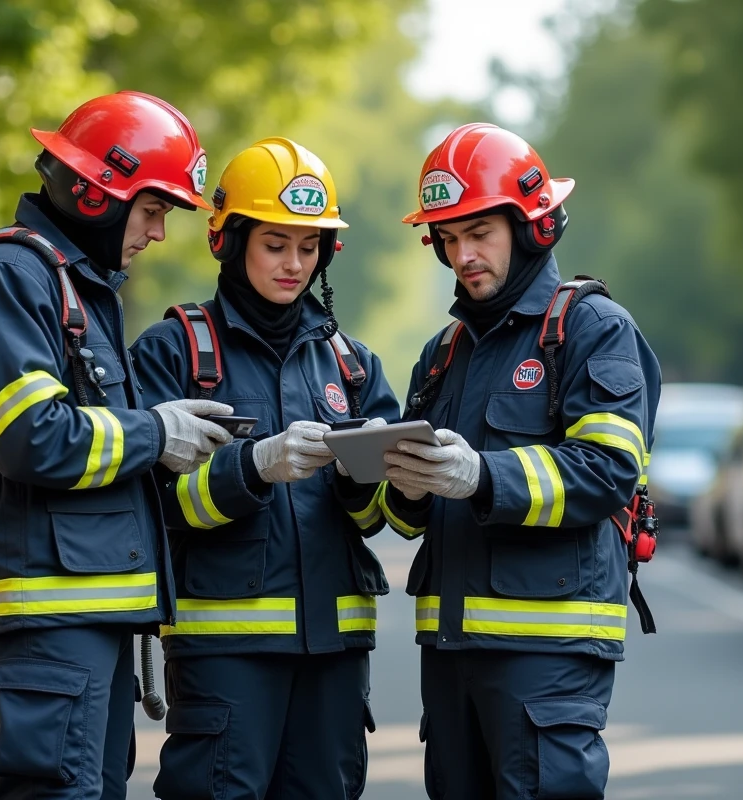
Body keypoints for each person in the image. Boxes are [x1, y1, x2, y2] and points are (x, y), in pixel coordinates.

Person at [0, 91, 236, 800]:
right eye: (153, 211)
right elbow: (34, 439)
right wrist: (157, 430)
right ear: (98, 195)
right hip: (44, 619)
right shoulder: (10, 276)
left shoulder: (74, 287)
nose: (157, 232)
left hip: (77, 619)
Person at [380, 122, 662, 800]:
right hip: (449, 660)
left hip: (549, 660)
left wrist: (481, 476)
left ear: (532, 225)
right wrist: (402, 482)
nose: (462, 256)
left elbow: (606, 471)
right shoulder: (442, 353)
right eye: (447, 239)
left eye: (479, 233)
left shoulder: (593, 330)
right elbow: (407, 517)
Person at [129, 137, 399, 799]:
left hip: (335, 658)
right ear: (231, 240)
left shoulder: (352, 365)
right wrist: (251, 469)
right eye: (276, 244)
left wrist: (376, 476)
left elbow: (384, 516)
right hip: (225, 659)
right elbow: (146, 505)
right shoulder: (175, 351)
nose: (294, 264)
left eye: (309, 248)